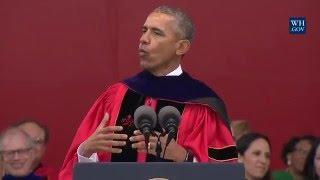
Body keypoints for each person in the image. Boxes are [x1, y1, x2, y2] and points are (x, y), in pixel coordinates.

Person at [59, 5, 237, 180]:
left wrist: (185, 158)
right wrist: (86, 151)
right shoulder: (117, 95)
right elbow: (73, 171)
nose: (144, 39)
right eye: (144, 31)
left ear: (181, 47)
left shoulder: (202, 104)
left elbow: (225, 173)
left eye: (156, 33)